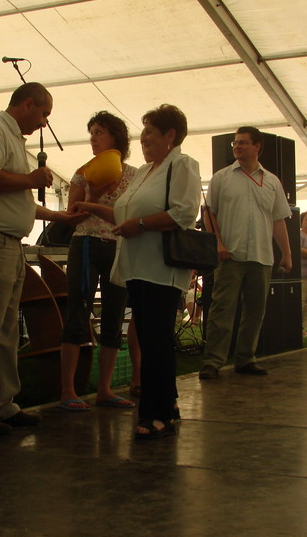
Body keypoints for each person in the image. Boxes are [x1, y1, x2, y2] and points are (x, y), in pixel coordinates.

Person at [0, 82, 86, 435]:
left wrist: (58, 216)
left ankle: (1, 404)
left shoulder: (10, 138)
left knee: (7, 328)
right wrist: (29, 178)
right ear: (27, 104)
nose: (44, 123)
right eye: (44, 114)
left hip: (7, 242)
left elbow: (17, 201)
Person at [73, 104, 200, 439]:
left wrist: (140, 225)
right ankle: (168, 403)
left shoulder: (182, 165)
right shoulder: (145, 172)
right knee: (148, 336)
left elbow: (185, 213)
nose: (143, 139)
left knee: (156, 339)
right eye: (142, 132)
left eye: (150, 132)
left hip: (161, 267)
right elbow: (122, 213)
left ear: (170, 135)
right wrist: (91, 206)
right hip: (137, 266)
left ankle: (157, 413)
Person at [58, 111, 138, 411]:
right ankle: (68, 390)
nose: (93, 138)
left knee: (114, 317)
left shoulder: (134, 175)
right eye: (91, 132)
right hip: (86, 244)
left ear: (115, 137)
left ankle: (105, 390)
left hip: (118, 247)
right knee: (77, 313)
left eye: (99, 132)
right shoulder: (83, 173)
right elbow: (71, 216)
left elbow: (131, 214)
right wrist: (95, 194)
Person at [199, 126, 292, 380]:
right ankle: (213, 361)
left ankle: (245, 357)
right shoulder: (221, 178)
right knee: (222, 310)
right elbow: (210, 215)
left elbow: (278, 220)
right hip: (230, 255)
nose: (237, 147)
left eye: (243, 142)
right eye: (235, 143)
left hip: (262, 257)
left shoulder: (272, 181)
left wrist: (287, 254)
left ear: (257, 146)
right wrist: (218, 243)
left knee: (255, 312)